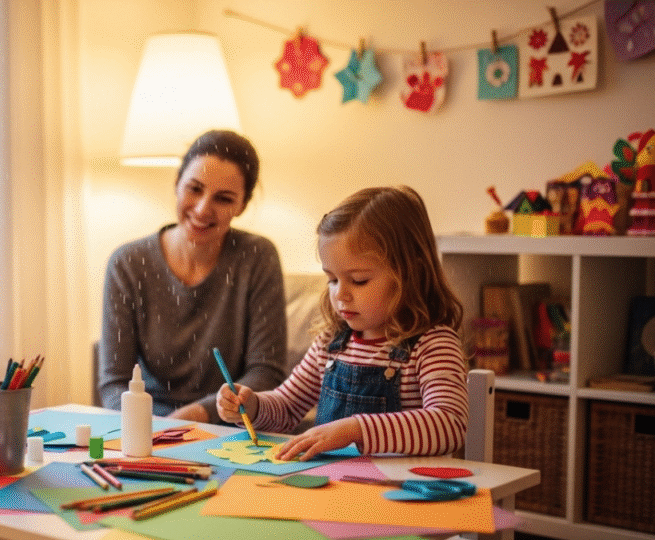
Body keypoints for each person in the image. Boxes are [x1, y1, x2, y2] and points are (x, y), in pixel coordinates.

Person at [216, 185, 469, 458]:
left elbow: (450, 424)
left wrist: (356, 429)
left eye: (359, 280)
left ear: (410, 274)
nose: (341, 294)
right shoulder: (332, 344)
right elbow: (288, 406)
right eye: (332, 279)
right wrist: (251, 404)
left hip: (399, 494)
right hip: (333, 487)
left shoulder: (433, 345)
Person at [98, 129, 287, 423]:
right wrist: (144, 429)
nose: (202, 209)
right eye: (194, 189)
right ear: (177, 184)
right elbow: (113, 384)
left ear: (242, 206)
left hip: (228, 427)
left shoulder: (257, 257)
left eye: (223, 199)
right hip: (148, 426)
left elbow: (266, 373)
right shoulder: (128, 263)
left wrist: (199, 414)